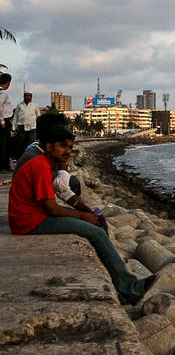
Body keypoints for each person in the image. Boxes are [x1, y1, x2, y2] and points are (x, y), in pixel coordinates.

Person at [7, 124, 156, 304]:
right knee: (98, 234)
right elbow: (52, 209)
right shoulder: (40, 167)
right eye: (63, 146)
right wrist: (84, 217)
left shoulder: (44, 163)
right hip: (30, 222)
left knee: (94, 227)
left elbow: (61, 194)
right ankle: (130, 289)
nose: (68, 152)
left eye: (70, 147)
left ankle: (122, 284)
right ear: (48, 147)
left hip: (32, 217)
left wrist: (85, 210)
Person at [15, 113, 94, 216]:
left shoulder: (44, 150)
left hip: (38, 206)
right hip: (31, 214)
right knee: (72, 183)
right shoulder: (36, 159)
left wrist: (86, 212)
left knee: (73, 182)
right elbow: (60, 188)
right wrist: (82, 216)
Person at [12, 92, 39, 159]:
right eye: (26, 96)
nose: (28, 97)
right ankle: (21, 157)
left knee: (32, 142)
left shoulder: (35, 105)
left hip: (32, 126)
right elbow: (15, 116)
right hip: (21, 126)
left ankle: (32, 157)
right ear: (24, 96)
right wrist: (14, 128)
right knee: (21, 143)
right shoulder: (19, 105)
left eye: (29, 96)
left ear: (31, 97)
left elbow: (38, 116)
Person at [0, 73, 13, 171]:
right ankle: (3, 165)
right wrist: (2, 121)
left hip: (4, 119)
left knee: (6, 144)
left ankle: (4, 165)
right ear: (8, 83)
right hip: (4, 120)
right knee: (4, 144)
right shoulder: (2, 93)